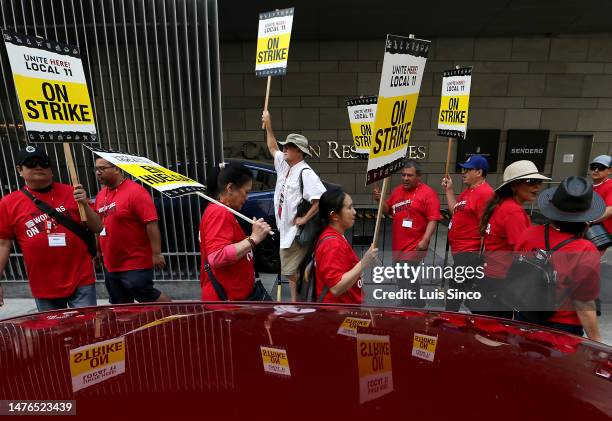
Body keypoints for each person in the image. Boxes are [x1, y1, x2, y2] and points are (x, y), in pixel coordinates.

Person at [0, 146, 103, 310]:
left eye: (44, 163)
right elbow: (3, 244)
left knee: (85, 329)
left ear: (51, 170)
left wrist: (84, 204)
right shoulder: (8, 203)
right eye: (31, 164)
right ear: (20, 170)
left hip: (80, 278)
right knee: (52, 332)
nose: (38, 167)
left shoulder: (73, 192)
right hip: (44, 284)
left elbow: (98, 227)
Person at [515, 176, 603, 341]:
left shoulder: (528, 234)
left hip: (526, 318)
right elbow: (584, 304)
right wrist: (598, 344)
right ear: (586, 217)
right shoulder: (585, 249)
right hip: (563, 328)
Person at [261, 110, 326, 302]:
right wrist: (269, 124)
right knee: (291, 270)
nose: (285, 149)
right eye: (286, 146)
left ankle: (296, 303)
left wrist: (305, 219)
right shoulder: (284, 163)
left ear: (300, 152)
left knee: (289, 269)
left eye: (290, 147)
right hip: (285, 228)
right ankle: (297, 301)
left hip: (295, 232)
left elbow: (319, 199)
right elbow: (272, 147)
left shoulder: (305, 172)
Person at [93, 157, 171, 304]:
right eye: (96, 169)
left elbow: (151, 224)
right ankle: (129, 326)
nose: (98, 173)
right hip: (111, 262)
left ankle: (173, 314)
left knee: (147, 296)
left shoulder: (136, 192)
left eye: (102, 169)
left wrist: (156, 253)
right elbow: (98, 225)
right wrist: (98, 250)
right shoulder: (101, 195)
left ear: (116, 168)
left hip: (135, 261)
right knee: (120, 304)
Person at [478, 160, 550, 318]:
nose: (537, 187)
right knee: (498, 337)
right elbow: (525, 253)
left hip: (491, 278)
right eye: (531, 182)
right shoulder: (513, 211)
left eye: (539, 182)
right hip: (502, 282)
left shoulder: (502, 206)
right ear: (514, 185)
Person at [199, 162, 271, 301]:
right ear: (230, 188)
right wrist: (253, 239)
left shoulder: (219, 210)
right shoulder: (219, 212)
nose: (247, 198)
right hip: (227, 301)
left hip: (232, 297)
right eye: (246, 192)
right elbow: (217, 256)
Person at [374, 159, 441, 307]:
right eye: (403, 175)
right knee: (402, 277)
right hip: (398, 245)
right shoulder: (397, 191)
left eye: (409, 175)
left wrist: (425, 240)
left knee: (406, 276)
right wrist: (380, 201)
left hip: (415, 246)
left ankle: (412, 307)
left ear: (419, 176)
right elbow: (387, 210)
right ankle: (414, 303)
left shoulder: (428, 193)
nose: (405, 178)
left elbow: (433, 219)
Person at [441, 155, 494, 311]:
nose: (463, 172)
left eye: (468, 169)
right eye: (463, 169)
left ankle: (449, 322)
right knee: (460, 291)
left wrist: (482, 257)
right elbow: (455, 212)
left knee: (456, 292)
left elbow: (487, 227)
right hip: (461, 252)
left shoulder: (485, 193)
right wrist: (449, 190)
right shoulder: (469, 191)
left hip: (470, 253)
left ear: (479, 172)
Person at [314, 188, 378, 304]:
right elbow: (336, 287)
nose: (354, 212)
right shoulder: (332, 244)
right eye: (349, 208)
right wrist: (364, 262)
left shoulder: (335, 237)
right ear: (334, 216)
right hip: (337, 315)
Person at [589, 155, 612, 233]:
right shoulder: (588, 187)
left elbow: (610, 210)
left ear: (610, 171)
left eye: (601, 167)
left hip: (606, 237)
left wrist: (590, 221)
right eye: (593, 167)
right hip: (590, 233)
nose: (596, 170)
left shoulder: (610, 186)